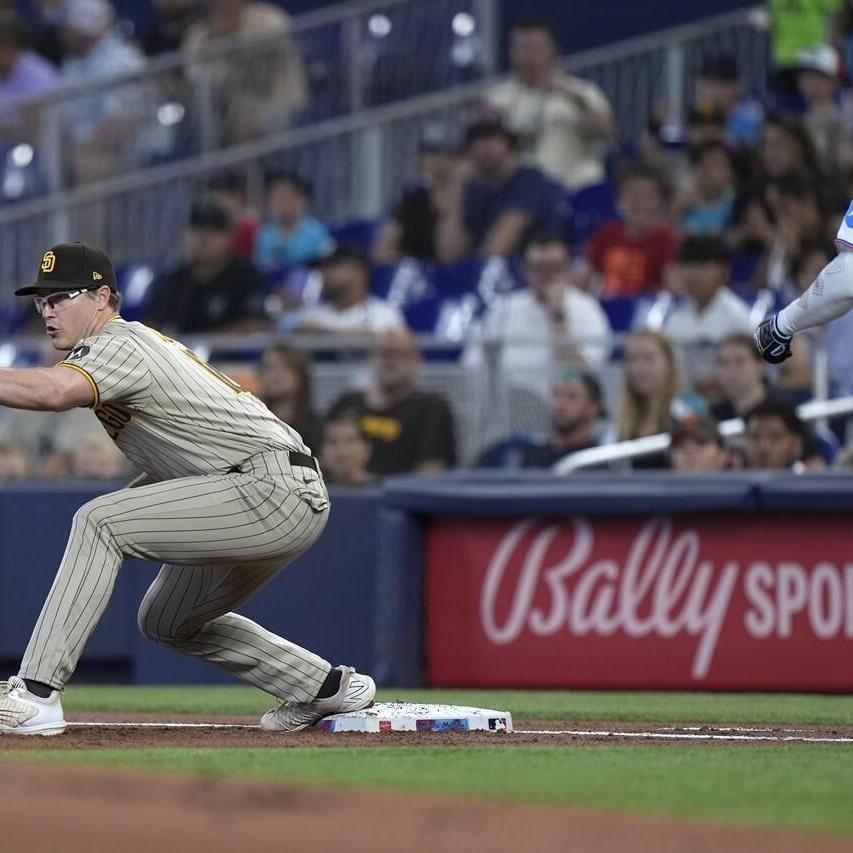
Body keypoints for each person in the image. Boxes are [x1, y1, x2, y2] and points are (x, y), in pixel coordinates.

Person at [0, 241, 375, 736]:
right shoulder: (121, 349)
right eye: (41, 301)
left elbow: (52, 392)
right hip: (262, 486)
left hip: (268, 487)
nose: (48, 311)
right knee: (167, 621)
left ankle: (37, 693)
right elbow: (182, 457)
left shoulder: (116, 342)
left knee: (98, 520)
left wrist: (122, 518)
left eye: (61, 297)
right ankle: (324, 687)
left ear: (101, 297)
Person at [464, 234, 611, 394]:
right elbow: (473, 362)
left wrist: (558, 316)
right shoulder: (505, 309)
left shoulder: (587, 308)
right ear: (526, 270)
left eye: (553, 269)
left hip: (561, 408)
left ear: (567, 269)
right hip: (508, 406)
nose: (546, 277)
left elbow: (586, 376)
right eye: (539, 269)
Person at [483, 16, 613, 192]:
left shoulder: (582, 91)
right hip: (521, 198)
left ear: (552, 50)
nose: (528, 56)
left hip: (577, 189)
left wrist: (575, 101)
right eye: (522, 48)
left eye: (535, 48)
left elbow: (607, 132)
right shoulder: (495, 98)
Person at [327, 328, 456, 476]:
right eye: (384, 353)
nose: (390, 361)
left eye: (399, 354)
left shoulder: (432, 409)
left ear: (416, 360)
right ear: (371, 358)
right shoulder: (347, 403)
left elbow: (431, 473)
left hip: (400, 497)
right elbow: (319, 457)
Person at [58, 0, 161, 185]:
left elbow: (121, 124)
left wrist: (85, 149)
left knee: (89, 165)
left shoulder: (123, 61)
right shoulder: (73, 64)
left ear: (82, 29)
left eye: (68, 27)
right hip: (85, 149)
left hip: (135, 149)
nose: (62, 33)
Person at [436, 119, 564, 263]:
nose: (483, 146)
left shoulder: (530, 179)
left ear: (508, 143)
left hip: (534, 270)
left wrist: (472, 272)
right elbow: (449, 255)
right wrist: (456, 185)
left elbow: (497, 249)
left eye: (492, 137)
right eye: (475, 140)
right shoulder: (475, 191)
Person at [183, 0, 307, 145]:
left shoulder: (268, 18)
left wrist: (232, 36)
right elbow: (197, 78)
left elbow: (262, 62)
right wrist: (216, 38)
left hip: (279, 109)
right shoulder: (198, 35)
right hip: (225, 125)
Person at [145, 200, 269, 335]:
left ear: (230, 238)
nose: (203, 238)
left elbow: (254, 325)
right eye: (196, 230)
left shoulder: (246, 276)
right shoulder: (172, 279)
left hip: (229, 355)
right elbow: (152, 326)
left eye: (213, 231)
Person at [663, 235, 753, 395]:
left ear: (724, 271)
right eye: (688, 265)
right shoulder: (675, 317)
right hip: (684, 401)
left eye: (703, 265)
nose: (694, 274)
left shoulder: (738, 317)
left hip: (728, 400)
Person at [579, 163, 679, 298]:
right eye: (633, 196)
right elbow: (582, 280)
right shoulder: (605, 234)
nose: (640, 204)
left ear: (660, 201)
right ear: (619, 201)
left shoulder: (666, 239)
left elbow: (673, 289)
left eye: (648, 197)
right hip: (605, 311)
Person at [372, 124, 468, 265]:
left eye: (449, 154)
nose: (439, 160)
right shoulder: (414, 199)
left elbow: (449, 255)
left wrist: (456, 188)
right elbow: (381, 252)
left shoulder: (473, 197)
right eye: (432, 152)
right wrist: (418, 264)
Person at [477, 369, 605, 469]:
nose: (560, 404)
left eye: (572, 397)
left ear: (593, 408)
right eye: (556, 394)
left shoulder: (598, 462)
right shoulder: (526, 454)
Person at [291, 244, 405, 335]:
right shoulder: (310, 315)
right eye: (321, 268)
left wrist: (322, 333)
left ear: (359, 271)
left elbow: (394, 347)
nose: (323, 273)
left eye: (332, 266)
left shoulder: (384, 314)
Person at [254, 172, 333, 273]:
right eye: (276, 198)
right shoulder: (263, 235)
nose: (282, 204)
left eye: (287, 197)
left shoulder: (317, 232)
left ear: (302, 200)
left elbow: (326, 266)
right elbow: (260, 268)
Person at [258, 342, 321, 451]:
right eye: (269, 367)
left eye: (285, 367)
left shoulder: (316, 425)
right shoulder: (255, 420)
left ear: (300, 375)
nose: (276, 374)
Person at [673, 141, 737, 236]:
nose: (709, 170)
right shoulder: (683, 203)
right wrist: (676, 211)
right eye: (705, 164)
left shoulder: (736, 207)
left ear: (730, 172)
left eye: (717, 164)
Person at [743, 399, 817, 470]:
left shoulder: (813, 480)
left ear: (796, 443)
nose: (763, 448)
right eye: (754, 437)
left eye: (775, 437)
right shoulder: (733, 476)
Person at [319, 411, 373, 487]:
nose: (342, 452)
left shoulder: (385, 492)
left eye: (350, 441)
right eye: (333, 442)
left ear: (367, 448)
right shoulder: (307, 493)